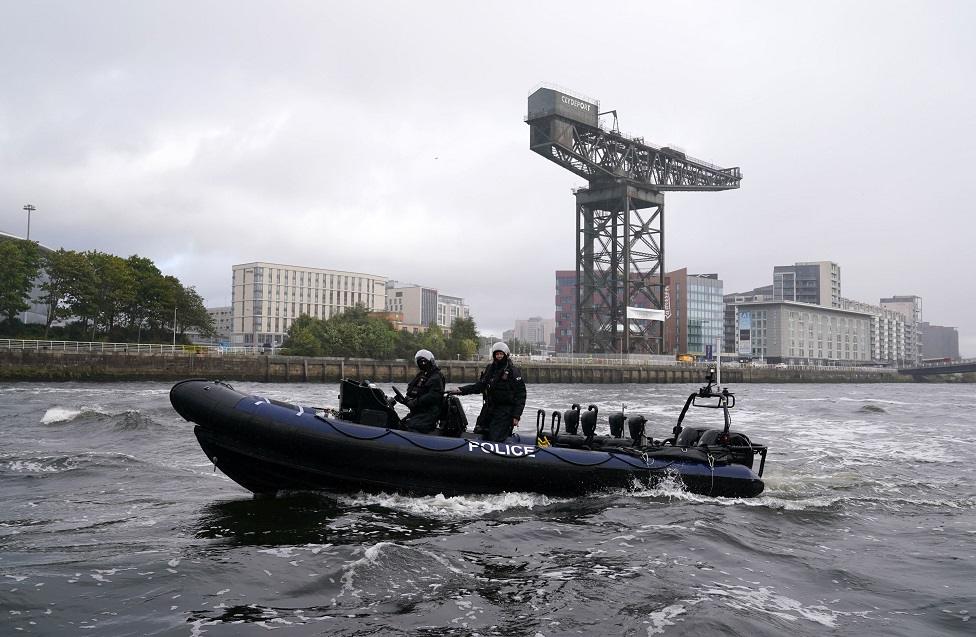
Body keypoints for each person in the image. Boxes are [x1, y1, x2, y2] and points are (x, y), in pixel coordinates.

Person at [447, 342, 526, 442]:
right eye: (497, 354)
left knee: (495, 436)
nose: (499, 356)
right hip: (489, 408)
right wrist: (461, 390)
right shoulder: (490, 369)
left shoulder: (513, 371)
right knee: (479, 430)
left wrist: (516, 416)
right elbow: (480, 386)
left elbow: (521, 394)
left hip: (505, 411)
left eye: (501, 354)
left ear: (506, 355)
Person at [397, 349, 445, 434]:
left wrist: (415, 402)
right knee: (400, 424)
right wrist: (405, 401)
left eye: (423, 361)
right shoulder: (422, 375)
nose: (422, 364)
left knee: (410, 427)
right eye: (419, 362)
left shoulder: (436, 377)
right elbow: (412, 391)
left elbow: (433, 396)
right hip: (418, 412)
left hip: (428, 414)